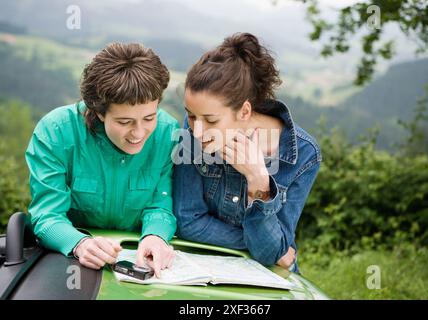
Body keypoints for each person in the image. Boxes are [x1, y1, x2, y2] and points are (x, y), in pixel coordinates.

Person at [25, 43, 178, 277]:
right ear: (98, 111)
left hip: (138, 263)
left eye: (149, 118)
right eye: (124, 122)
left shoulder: (168, 133)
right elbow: (46, 215)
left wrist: (156, 236)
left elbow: (160, 204)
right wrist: (79, 244)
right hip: (72, 264)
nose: (139, 133)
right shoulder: (55, 131)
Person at [173, 33, 321, 272]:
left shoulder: (303, 154)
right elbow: (188, 222)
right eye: (190, 115)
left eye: (211, 120)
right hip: (203, 266)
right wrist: (262, 245)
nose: (197, 131)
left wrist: (258, 181)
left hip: (269, 277)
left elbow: (275, 256)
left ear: (244, 112)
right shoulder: (194, 129)